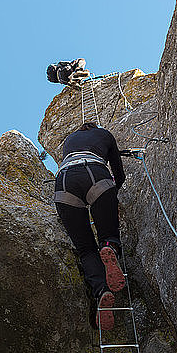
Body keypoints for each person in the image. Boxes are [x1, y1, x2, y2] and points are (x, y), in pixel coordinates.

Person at [54, 122, 126, 331]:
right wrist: (111, 193)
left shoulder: (69, 139)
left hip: (64, 181)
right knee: (108, 234)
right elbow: (118, 173)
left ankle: (102, 291)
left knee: (85, 249)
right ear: (96, 127)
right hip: (95, 172)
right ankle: (109, 247)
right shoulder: (105, 134)